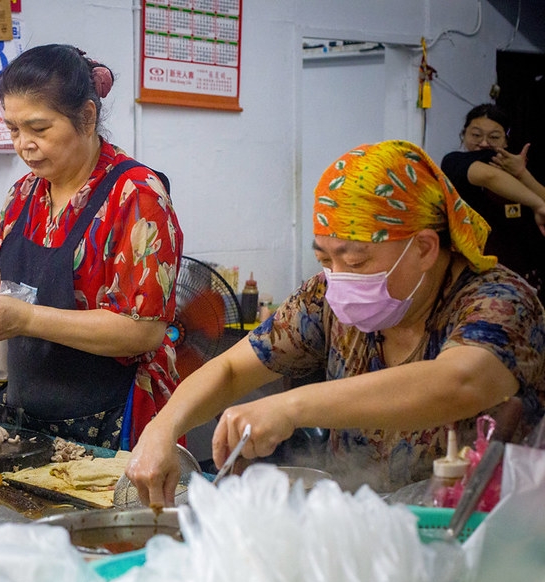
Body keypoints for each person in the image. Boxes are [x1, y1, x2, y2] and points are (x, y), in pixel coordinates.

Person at [126, 140, 545, 502]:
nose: (338, 277)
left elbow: (458, 383)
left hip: (485, 536)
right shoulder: (325, 298)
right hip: (363, 534)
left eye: (356, 260)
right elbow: (234, 368)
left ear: (423, 247)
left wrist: (290, 407)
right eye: (325, 258)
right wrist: (163, 427)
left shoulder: (499, 302)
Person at [0, 44, 183, 450]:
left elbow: (143, 331)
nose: (23, 144)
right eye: (13, 129)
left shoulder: (136, 196)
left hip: (115, 421)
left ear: (87, 117)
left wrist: (26, 320)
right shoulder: (23, 195)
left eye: (39, 129)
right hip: (29, 414)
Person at [440, 103, 545, 303]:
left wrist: (522, 174)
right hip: (478, 281)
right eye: (476, 135)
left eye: (494, 137)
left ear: (506, 140)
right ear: (463, 135)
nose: (484, 143)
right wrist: (536, 204)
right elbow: (488, 175)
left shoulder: (521, 168)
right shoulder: (455, 162)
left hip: (527, 280)